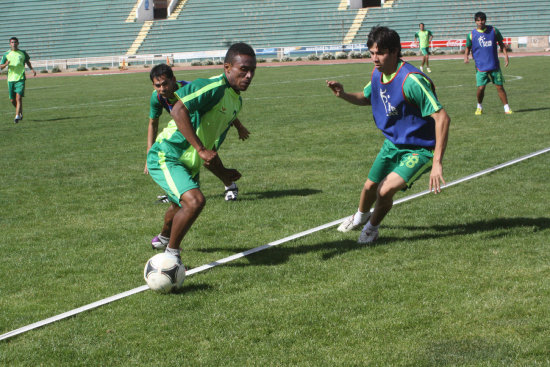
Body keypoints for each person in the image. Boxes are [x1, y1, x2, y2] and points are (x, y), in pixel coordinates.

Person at [327, 26, 450, 244]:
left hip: (419, 149)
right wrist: (343, 94)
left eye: (380, 53)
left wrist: (437, 163)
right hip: (393, 143)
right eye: (372, 53)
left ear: (394, 52)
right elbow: (366, 98)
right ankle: (358, 217)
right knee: (369, 187)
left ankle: (371, 228)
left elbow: (442, 117)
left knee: (384, 191)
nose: (374, 58)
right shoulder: (378, 73)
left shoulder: (411, 80)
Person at [146, 42, 256, 258]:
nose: (249, 75)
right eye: (243, 69)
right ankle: (170, 258)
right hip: (168, 153)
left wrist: (223, 173)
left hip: (190, 161)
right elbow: (178, 110)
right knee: (194, 201)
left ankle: (164, 238)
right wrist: (200, 148)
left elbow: (211, 149)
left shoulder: (236, 102)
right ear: (227, 68)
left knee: (180, 206)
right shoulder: (213, 87)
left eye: (252, 70)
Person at [145, 63, 251, 202]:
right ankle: (177, 190)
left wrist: (239, 126)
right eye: (157, 85)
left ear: (173, 80)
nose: (162, 89)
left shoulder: (189, 89)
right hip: (189, 129)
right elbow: (153, 123)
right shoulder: (157, 97)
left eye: (165, 84)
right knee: (183, 158)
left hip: (209, 126)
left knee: (208, 159)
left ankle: (229, 185)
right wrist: (149, 151)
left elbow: (222, 106)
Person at [464, 11, 512, 115]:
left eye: (482, 20)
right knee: (481, 88)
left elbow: (502, 44)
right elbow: (467, 47)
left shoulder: (493, 31)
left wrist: (506, 56)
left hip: (494, 64)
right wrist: (466, 57)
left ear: (485, 20)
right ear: (475, 21)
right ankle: (479, 106)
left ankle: (506, 108)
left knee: (499, 86)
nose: (480, 22)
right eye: (478, 20)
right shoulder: (471, 34)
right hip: (480, 66)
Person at [0, 37, 36, 124]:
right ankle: (20, 112)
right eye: (12, 42)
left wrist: (32, 69)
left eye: (15, 42)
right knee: (12, 100)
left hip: (20, 78)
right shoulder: (6, 54)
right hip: (11, 79)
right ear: (10, 44)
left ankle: (16, 116)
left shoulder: (23, 53)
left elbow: (27, 61)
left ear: (18, 43)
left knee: (18, 98)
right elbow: (1, 66)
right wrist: (5, 64)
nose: (14, 44)